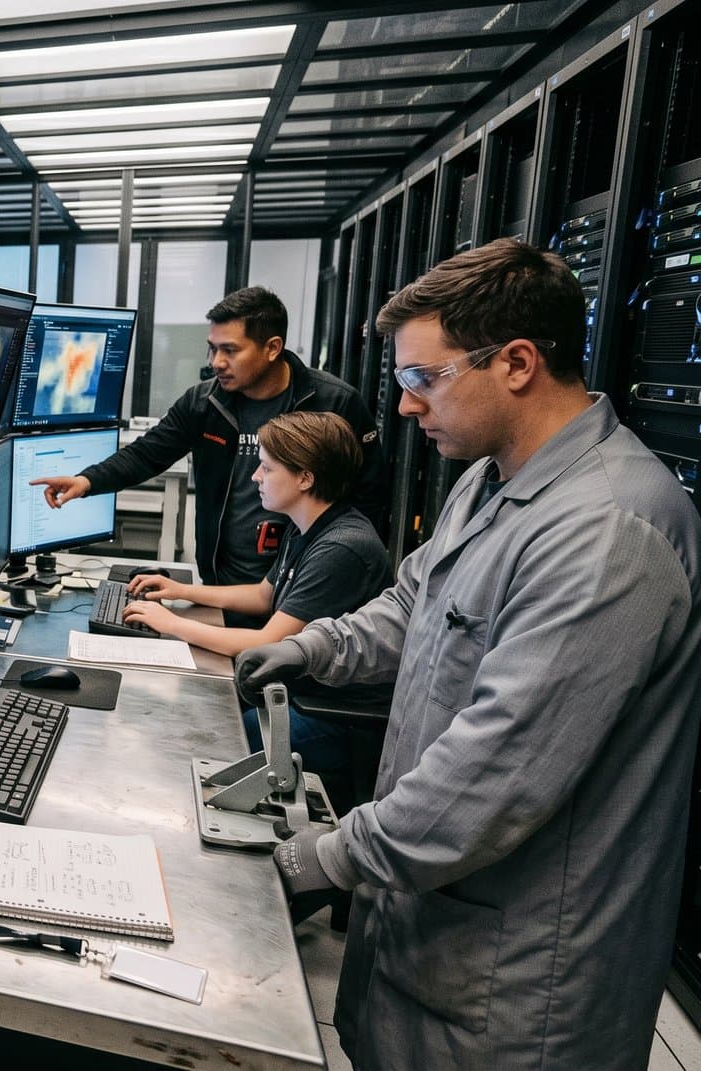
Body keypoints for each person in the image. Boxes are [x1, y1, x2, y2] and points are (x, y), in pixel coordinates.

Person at [236, 238, 701, 1069]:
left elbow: (498, 772)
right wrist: (313, 646)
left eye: (423, 377)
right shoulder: (488, 481)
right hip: (429, 939)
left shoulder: (605, 532)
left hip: (522, 988)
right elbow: (415, 605)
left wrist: (328, 855)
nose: (406, 406)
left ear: (517, 362)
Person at [29, 287, 386, 609]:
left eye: (230, 350)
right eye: (212, 348)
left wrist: (342, 574)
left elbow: (367, 498)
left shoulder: (333, 403)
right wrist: (86, 481)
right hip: (228, 582)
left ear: (273, 348)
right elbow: (147, 453)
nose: (215, 362)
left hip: (306, 584)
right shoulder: (205, 402)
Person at [118, 411, 391, 813]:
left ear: (305, 478)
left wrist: (171, 623)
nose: (254, 477)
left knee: (213, 735)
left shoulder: (341, 548)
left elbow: (269, 641)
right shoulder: (308, 526)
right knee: (195, 711)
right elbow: (265, 596)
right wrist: (182, 590)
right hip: (299, 694)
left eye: (266, 467)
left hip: (335, 719)